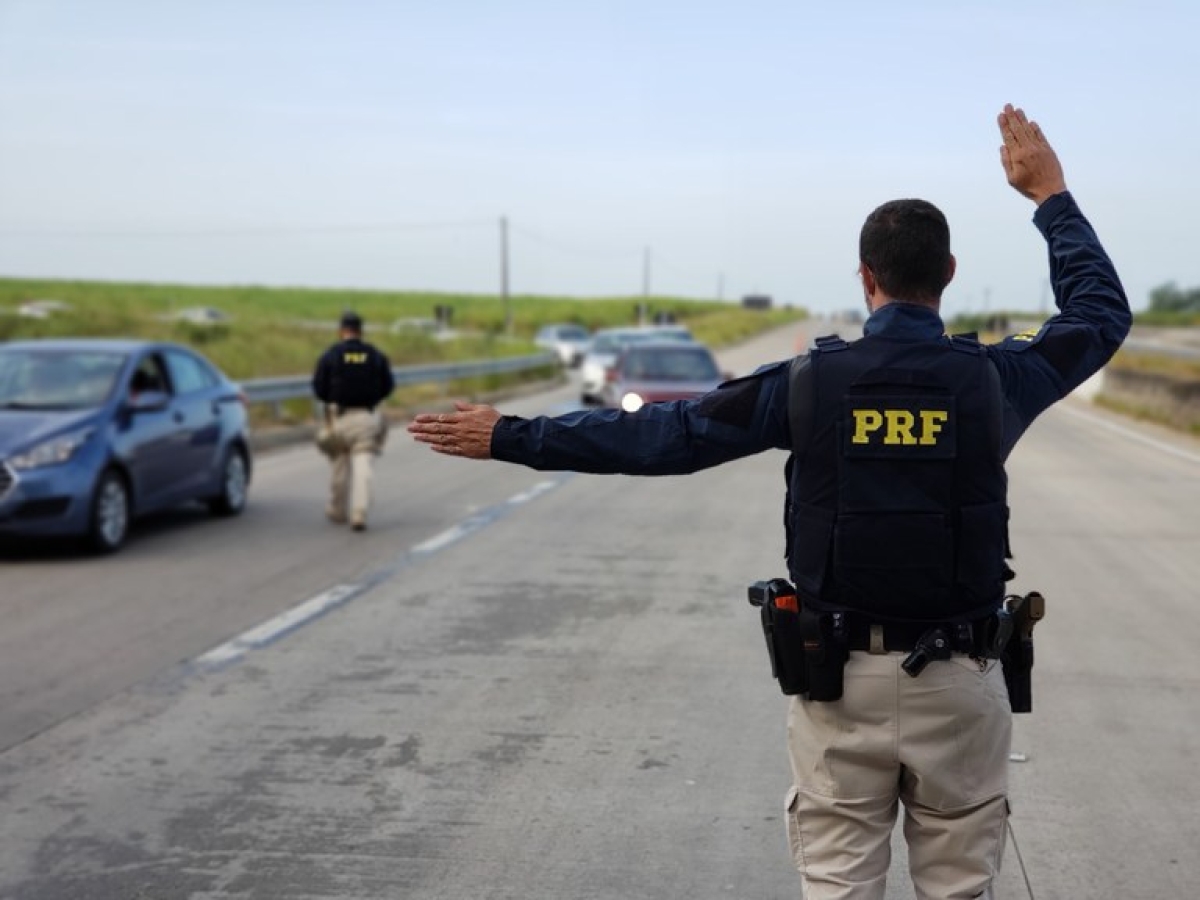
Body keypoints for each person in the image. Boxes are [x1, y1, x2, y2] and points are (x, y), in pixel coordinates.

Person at [407, 104, 1131, 899]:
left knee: (838, 885)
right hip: (960, 680)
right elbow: (1098, 316)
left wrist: (513, 435)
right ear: (949, 275)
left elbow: (665, 438)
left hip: (840, 681)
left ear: (866, 278)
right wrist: (1051, 196)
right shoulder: (996, 382)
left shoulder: (806, 384)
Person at [311, 310, 395, 531]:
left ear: (341, 331)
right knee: (363, 464)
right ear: (361, 331)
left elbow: (319, 388)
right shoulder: (375, 355)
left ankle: (337, 509)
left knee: (339, 463)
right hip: (367, 418)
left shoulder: (331, 354)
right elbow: (388, 386)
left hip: (338, 418)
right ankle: (359, 512)